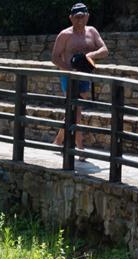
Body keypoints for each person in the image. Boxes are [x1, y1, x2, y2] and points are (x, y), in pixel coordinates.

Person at [51, 2, 109, 153]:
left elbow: (104, 50)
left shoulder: (92, 32)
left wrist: (90, 55)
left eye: (82, 17)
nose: (79, 20)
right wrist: (70, 70)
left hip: (85, 76)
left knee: (74, 112)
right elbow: (55, 57)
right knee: (75, 113)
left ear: (87, 17)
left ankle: (58, 141)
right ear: (71, 18)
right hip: (69, 77)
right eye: (76, 17)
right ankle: (81, 149)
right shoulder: (65, 35)